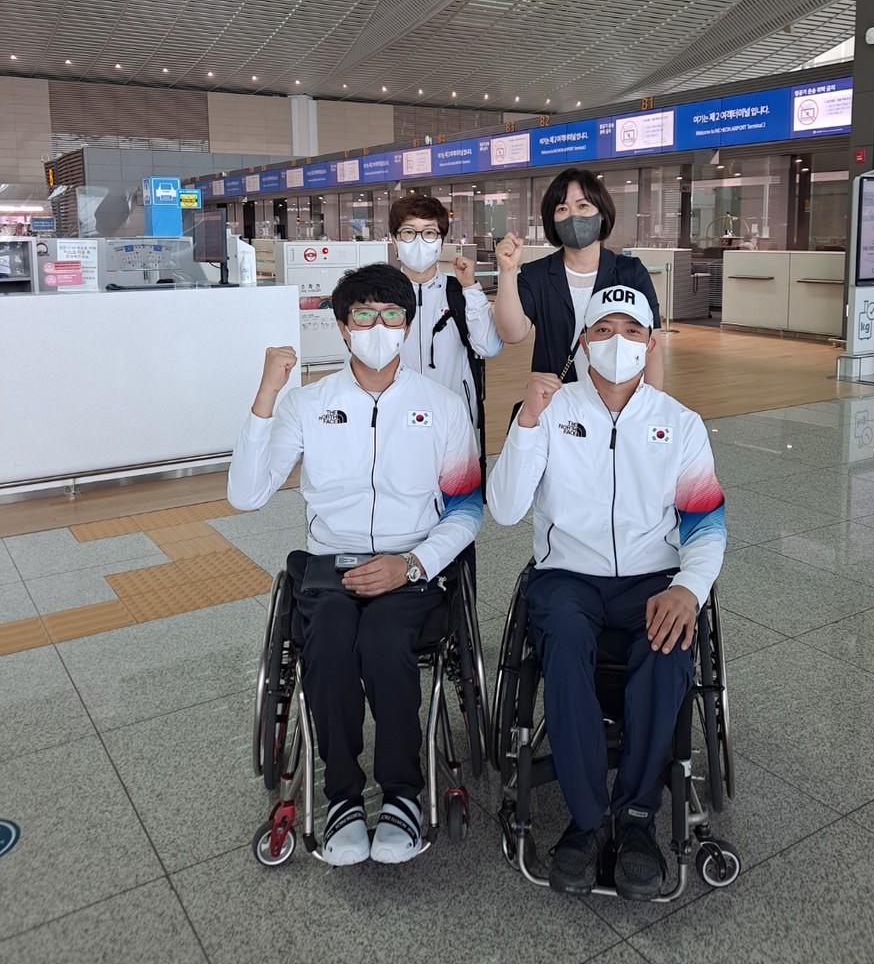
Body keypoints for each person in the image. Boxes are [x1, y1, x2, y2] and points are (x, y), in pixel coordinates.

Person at [227, 263, 482, 868]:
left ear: (407, 326)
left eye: (391, 315)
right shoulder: (308, 405)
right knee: (333, 644)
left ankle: (400, 795)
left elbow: (467, 512)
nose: (378, 326)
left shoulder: (442, 407)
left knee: (386, 642)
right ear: (342, 329)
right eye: (363, 316)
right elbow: (246, 494)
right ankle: (342, 796)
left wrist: (412, 563)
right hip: (328, 568)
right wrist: (266, 394)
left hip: (411, 568)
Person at [487, 284, 725, 899]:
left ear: (650, 343)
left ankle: (640, 818)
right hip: (568, 575)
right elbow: (507, 510)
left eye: (631, 331)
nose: (616, 343)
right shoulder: (548, 409)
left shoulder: (680, 424)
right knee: (562, 642)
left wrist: (689, 588)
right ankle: (589, 822)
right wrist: (527, 427)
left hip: (653, 576)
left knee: (669, 646)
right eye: (602, 330)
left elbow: (706, 523)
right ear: (582, 343)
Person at [493, 167, 664, 391]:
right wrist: (507, 271)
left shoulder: (631, 272)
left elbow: (653, 346)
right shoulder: (536, 274)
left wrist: (653, 406)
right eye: (562, 208)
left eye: (583, 206)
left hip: (620, 400)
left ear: (601, 214)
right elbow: (512, 334)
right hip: (556, 402)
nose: (573, 215)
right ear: (552, 220)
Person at [389, 195, 502, 457]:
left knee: (458, 496)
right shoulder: (380, 297)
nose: (418, 241)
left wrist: (471, 288)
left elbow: (489, 347)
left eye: (429, 232)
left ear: (440, 243)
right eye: (408, 232)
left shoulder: (459, 293)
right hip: (393, 423)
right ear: (394, 241)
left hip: (455, 423)